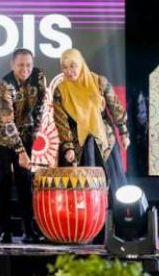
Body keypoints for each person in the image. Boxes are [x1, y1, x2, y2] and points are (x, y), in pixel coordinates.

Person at [0, 48, 47, 244]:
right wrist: (21, 151)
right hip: (2, 134)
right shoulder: (6, 85)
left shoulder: (39, 76)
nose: (25, 69)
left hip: (25, 132)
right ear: (12, 65)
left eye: (28, 65)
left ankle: (29, 231)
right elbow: (7, 121)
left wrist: (34, 134)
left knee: (24, 180)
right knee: (4, 180)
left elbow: (40, 106)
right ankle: (5, 231)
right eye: (20, 65)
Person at [53, 48, 129, 198]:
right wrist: (68, 147)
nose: (69, 71)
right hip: (77, 145)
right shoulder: (60, 90)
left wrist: (124, 132)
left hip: (104, 141)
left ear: (81, 64)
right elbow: (61, 122)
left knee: (112, 185)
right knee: (80, 190)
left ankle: (112, 213)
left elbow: (115, 108)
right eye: (64, 67)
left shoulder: (99, 82)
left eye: (73, 66)